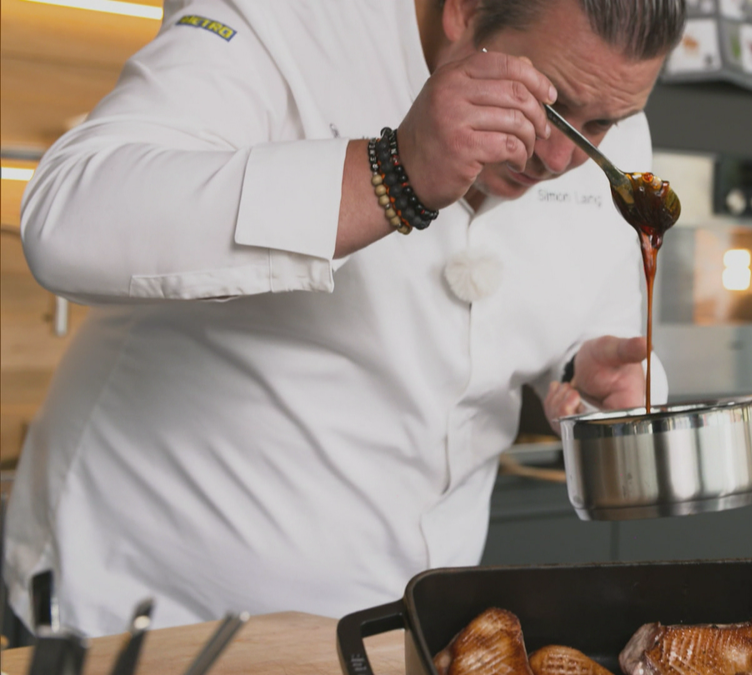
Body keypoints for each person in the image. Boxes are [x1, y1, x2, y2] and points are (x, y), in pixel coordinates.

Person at [4, 0, 683, 636]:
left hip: (396, 630)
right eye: (553, 109)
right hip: (140, 615)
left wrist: (578, 369)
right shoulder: (285, 24)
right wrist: (392, 173)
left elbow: (566, 321)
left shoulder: (608, 124)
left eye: (600, 127)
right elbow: (69, 217)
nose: (563, 160)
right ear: (465, 10)